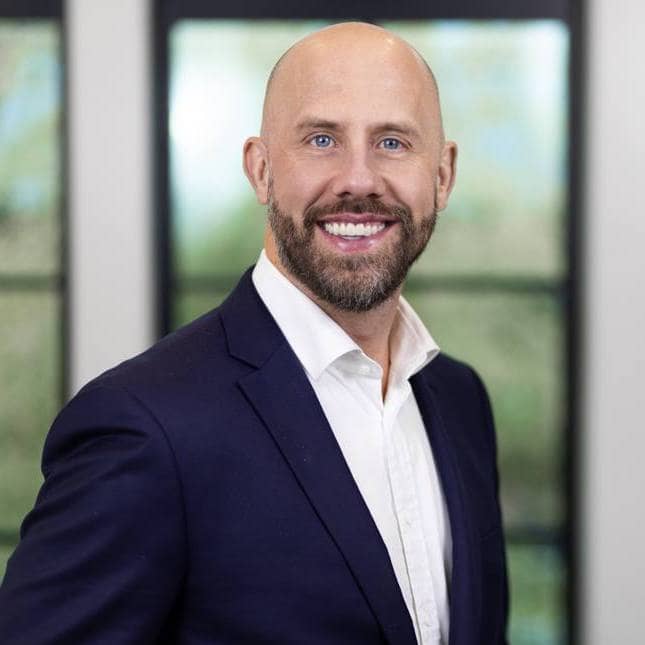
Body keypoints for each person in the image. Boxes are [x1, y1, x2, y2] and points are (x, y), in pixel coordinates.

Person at [0, 22, 508, 645]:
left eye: (394, 142)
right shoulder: (145, 426)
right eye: (321, 139)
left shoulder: (460, 402)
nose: (358, 179)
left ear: (444, 174)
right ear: (261, 170)